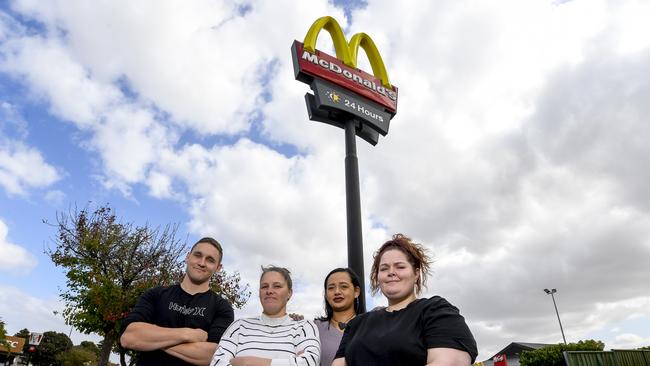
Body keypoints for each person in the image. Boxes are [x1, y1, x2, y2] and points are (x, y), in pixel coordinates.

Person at [333, 234, 478, 366]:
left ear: (416, 274)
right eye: (384, 269)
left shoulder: (435, 311)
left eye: (400, 267)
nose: (391, 272)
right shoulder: (356, 324)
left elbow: (449, 362)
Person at [120, 237, 235, 365]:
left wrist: (151, 339)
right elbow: (129, 337)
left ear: (218, 268)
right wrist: (187, 334)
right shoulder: (156, 294)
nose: (202, 263)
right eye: (198, 255)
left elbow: (212, 356)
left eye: (210, 260)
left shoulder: (222, 308)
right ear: (187, 257)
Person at [210, 265, 320, 366]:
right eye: (264, 286)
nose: (269, 291)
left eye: (277, 286)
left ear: (289, 293)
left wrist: (247, 362)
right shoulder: (238, 326)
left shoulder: (304, 327)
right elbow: (217, 362)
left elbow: (309, 362)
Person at [314, 268, 365, 366]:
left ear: (356, 291)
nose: (337, 291)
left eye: (344, 286)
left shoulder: (371, 324)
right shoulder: (314, 328)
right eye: (331, 288)